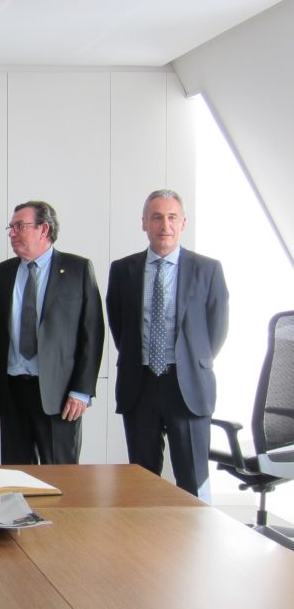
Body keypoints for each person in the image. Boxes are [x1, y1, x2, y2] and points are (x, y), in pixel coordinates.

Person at [106, 189, 229, 498]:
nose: (165, 225)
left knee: (193, 481)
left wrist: (190, 361)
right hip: (140, 385)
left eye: (172, 217)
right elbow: (119, 326)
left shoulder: (208, 269)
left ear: (183, 223)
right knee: (142, 481)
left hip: (187, 387)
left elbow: (216, 329)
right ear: (144, 223)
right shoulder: (123, 270)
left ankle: (195, 531)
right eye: (157, 217)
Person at [0, 200, 105, 464]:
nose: (12, 233)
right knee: (16, 473)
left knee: (61, 475)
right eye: (11, 228)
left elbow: (92, 334)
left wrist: (81, 391)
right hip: (11, 392)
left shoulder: (77, 269)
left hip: (60, 395)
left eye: (19, 226)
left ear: (44, 229)